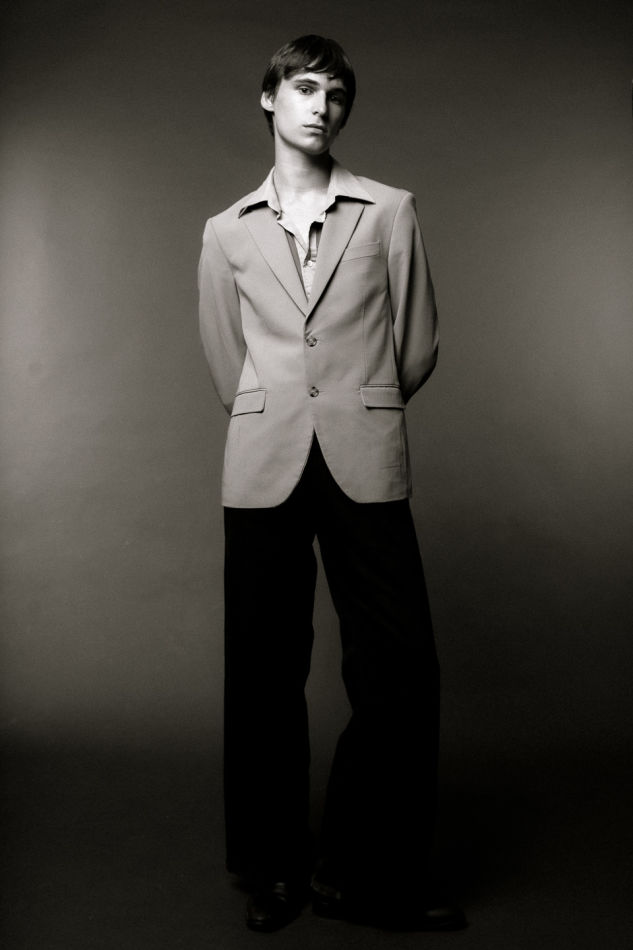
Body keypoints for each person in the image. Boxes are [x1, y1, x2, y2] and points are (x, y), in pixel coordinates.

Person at [198, 34, 466, 933]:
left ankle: (365, 872)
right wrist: (276, 408)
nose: (322, 106)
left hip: (364, 450)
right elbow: (225, 357)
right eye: (305, 87)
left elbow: (416, 341)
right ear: (269, 97)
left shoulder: (389, 210)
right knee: (261, 671)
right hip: (262, 459)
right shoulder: (225, 230)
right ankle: (271, 870)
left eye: (337, 94)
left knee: (400, 668)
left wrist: (358, 404)